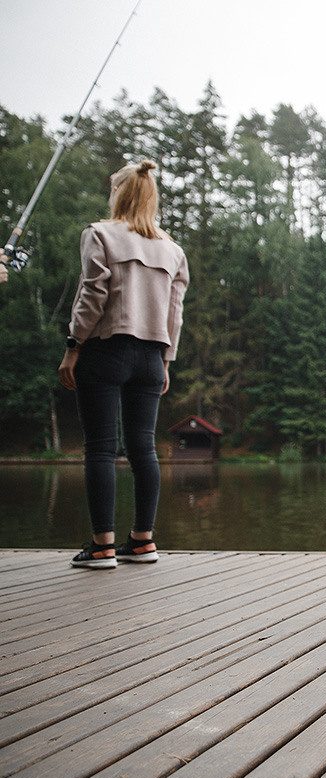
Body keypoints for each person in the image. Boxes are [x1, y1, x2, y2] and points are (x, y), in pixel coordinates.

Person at [58, 159, 189, 569]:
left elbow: (93, 296)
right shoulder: (173, 250)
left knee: (100, 448)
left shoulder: (99, 234)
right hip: (152, 356)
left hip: (106, 349)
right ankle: (143, 541)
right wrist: (166, 360)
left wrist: (73, 345)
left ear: (119, 193)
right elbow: (175, 313)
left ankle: (101, 547)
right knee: (142, 447)